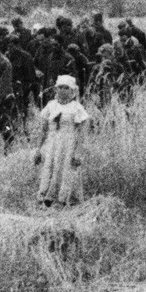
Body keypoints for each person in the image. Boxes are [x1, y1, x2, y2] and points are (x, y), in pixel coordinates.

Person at [34, 75, 90, 207]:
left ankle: (63, 199)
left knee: (65, 169)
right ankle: (46, 198)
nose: (63, 91)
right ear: (56, 89)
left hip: (68, 144)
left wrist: (78, 151)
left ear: (72, 91)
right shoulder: (51, 106)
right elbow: (43, 130)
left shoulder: (76, 108)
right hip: (52, 143)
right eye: (60, 87)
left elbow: (81, 133)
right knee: (49, 167)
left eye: (66, 88)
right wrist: (38, 149)